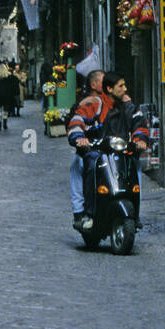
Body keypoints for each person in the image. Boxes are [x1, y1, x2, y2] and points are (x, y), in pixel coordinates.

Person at [74, 71, 149, 231]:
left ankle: (135, 213)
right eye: (121, 86)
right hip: (98, 151)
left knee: (134, 165)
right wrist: (80, 137)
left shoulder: (129, 107)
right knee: (87, 164)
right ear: (109, 89)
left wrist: (140, 139)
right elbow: (77, 120)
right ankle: (86, 212)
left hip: (122, 151)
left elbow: (139, 123)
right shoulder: (94, 104)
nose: (125, 89)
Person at [67, 69, 108, 230]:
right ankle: (79, 211)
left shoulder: (112, 102)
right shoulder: (86, 103)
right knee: (78, 165)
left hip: (110, 148)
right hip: (90, 147)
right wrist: (79, 138)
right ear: (94, 84)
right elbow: (75, 122)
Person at [0, 61, 17, 129]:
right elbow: (14, 86)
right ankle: (5, 123)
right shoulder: (9, 77)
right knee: (6, 110)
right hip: (7, 95)